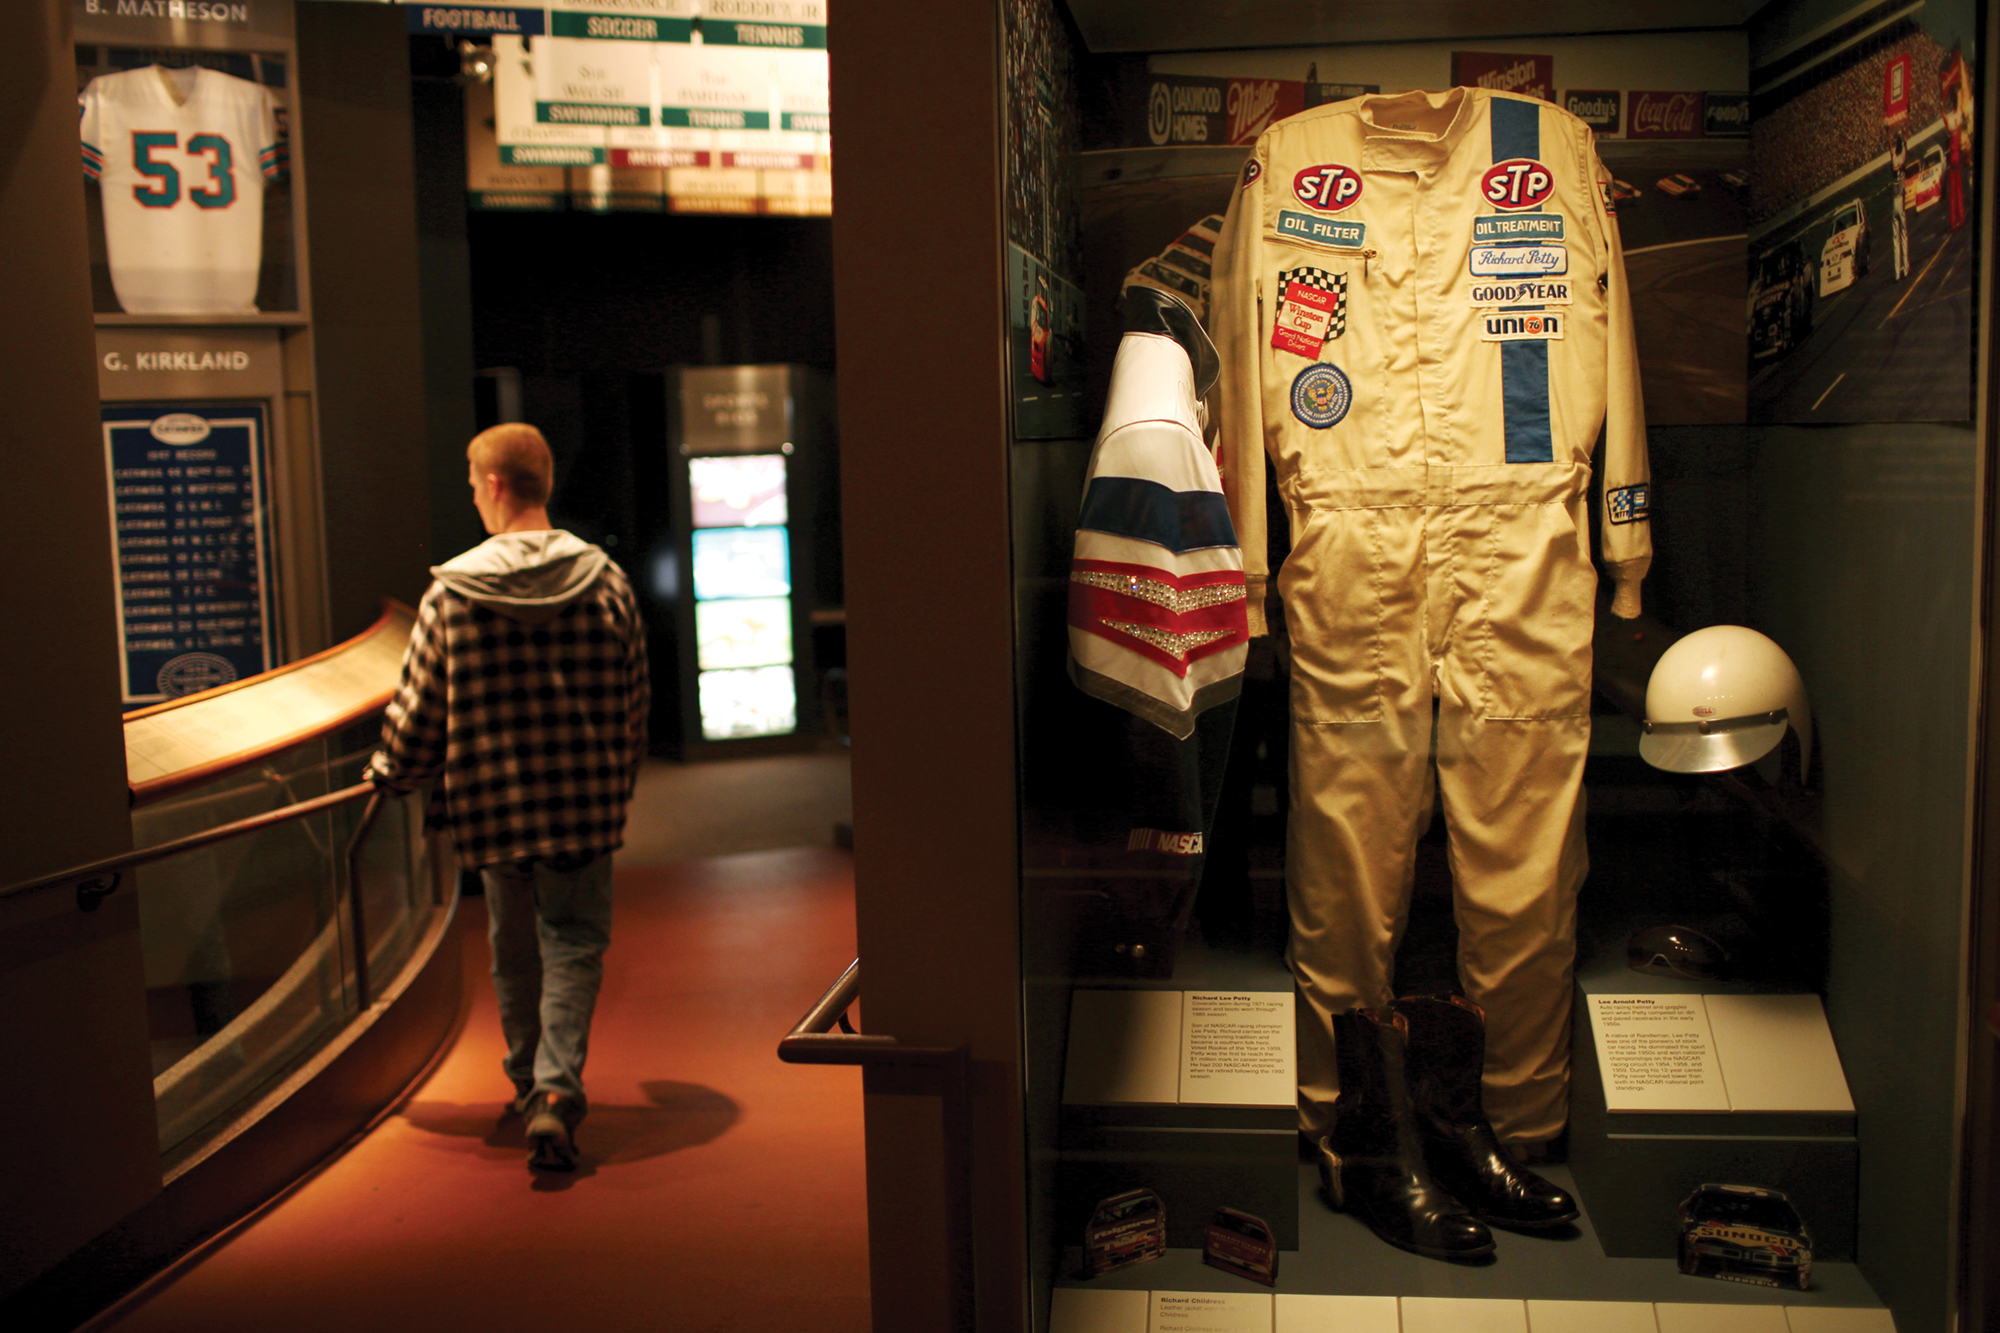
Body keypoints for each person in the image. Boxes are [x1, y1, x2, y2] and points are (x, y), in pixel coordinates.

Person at [366, 423, 649, 1170]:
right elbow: (634, 705)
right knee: (575, 944)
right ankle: (555, 1094)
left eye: (470, 479)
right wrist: (615, 788)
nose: (471, 491)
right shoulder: (607, 580)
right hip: (583, 808)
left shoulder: (452, 593)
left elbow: (420, 709)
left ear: (494, 484)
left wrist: (391, 775)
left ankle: (529, 1083)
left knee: (513, 950)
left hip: (493, 809)